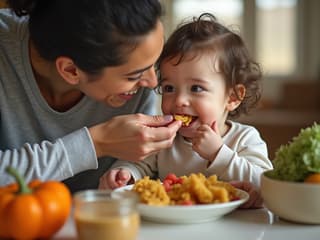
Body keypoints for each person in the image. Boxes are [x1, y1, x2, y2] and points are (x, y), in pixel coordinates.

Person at [0, 0, 183, 193]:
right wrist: (96, 143)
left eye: (154, 65)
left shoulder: (140, 79)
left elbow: (140, 168)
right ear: (71, 71)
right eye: (134, 75)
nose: (153, 83)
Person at [99, 13, 274, 208]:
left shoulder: (244, 139)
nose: (179, 101)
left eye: (196, 88)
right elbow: (139, 163)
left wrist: (218, 154)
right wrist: (125, 174)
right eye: (169, 88)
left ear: (232, 97)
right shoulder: (165, 138)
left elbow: (267, 186)